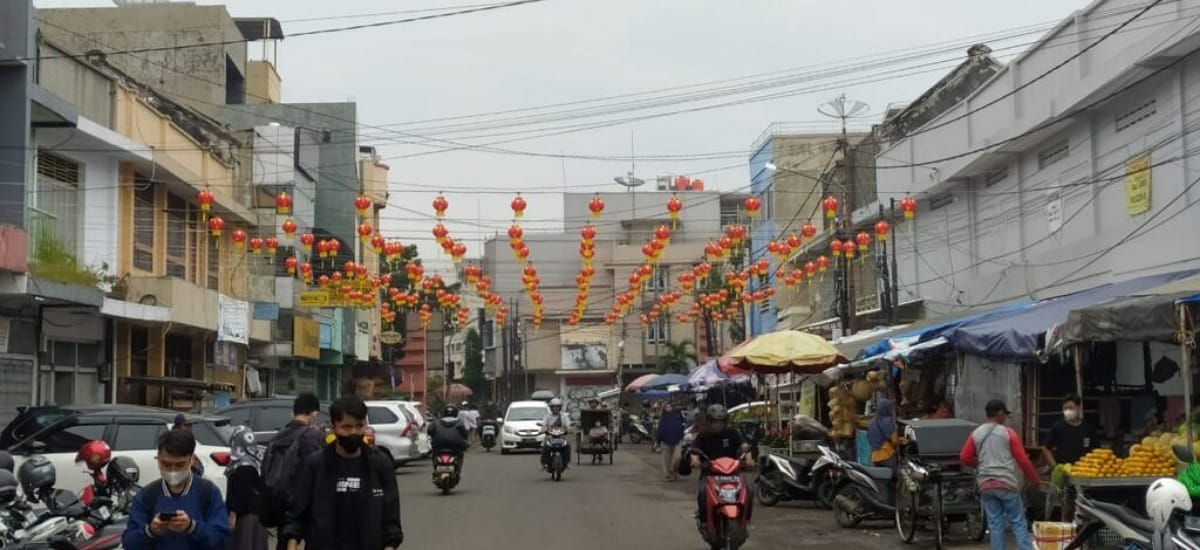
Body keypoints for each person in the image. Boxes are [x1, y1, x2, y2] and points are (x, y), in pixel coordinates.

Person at [282, 396, 403, 550]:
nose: (354, 432)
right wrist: (292, 545)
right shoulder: (315, 465)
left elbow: (391, 523)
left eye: (359, 426)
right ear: (333, 427)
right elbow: (295, 518)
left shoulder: (380, 465)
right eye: (346, 427)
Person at [122, 429, 229, 550]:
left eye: (180, 465)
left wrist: (192, 527)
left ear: (192, 459)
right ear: (158, 458)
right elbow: (129, 543)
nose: (173, 470)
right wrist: (150, 531)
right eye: (166, 464)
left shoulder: (208, 492)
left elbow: (222, 541)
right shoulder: (147, 495)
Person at [960, 399, 1038, 550]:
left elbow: (964, 457)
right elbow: (1022, 459)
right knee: (1018, 521)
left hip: (986, 485)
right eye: (1005, 415)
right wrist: (1034, 479)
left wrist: (979, 463)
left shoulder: (976, 433)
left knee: (995, 524)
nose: (1006, 418)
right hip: (1006, 483)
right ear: (1000, 413)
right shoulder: (1008, 433)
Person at [262, 393, 325, 550]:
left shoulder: (278, 436)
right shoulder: (313, 437)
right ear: (314, 414)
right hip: (307, 506)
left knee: (284, 541)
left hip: (282, 504)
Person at [685, 404, 755, 526]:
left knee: (748, 491)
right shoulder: (703, 435)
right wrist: (695, 460)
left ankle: (746, 520)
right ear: (709, 422)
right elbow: (694, 450)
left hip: (732, 472)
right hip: (710, 473)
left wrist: (749, 458)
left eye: (720, 422)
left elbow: (744, 446)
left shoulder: (732, 433)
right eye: (714, 421)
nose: (717, 424)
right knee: (702, 493)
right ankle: (704, 521)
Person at [225, 426, 267, 550]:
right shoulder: (255, 461)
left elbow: (240, 494)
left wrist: (233, 515)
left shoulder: (243, 466)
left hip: (246, 519)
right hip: (256, 517)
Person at [1042, 394, 1097, 467]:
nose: (1068, 411)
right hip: (1064, 471)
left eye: (1071, 408)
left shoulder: (1088, 427)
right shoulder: (1058, 427)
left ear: (1078, 408)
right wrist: (1055, 466)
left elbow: (1095, 448)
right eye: (1065, 409)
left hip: (1084, 470)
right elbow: (1046, 448)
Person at [428, 405, 469, 475]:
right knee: (460, 454)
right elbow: (465, 434)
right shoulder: (459, 422)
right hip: (455, 446)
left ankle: (435, 470)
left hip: (439, 445)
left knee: (434, 454)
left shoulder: (436, 422)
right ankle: (458, 471)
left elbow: (430, 431)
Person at [656, 402, 685, 481]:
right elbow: (660, 430)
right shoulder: (663, 418)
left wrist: (682, 435)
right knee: (667, 461)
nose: (668, 408)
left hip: (677, 440)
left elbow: (682, 426)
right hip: (665, 441)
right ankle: (670, 475)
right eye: (666, 407)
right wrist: (657, 441)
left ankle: (674, 471)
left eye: (670, 407)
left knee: (677, 458)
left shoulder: (677, 416)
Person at [867, 398, 900, 467]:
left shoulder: (871, 422)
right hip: (886, 455)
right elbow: (894, 440)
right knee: (894, 476)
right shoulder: (887, 421)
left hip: (874, 457)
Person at [540, 398, 571, 470]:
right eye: (554, 407)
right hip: (550, 437)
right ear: (551, 408)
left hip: (561, 436)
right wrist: (542, 430)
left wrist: (569, 430)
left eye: (557, 407)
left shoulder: (564, 416)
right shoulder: (547, 416)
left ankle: (567, 462)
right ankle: (543, 463)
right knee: (545, 447)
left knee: (567, 446)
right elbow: (543, 425)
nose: (555, 408)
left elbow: (568, 426)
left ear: (560, 408)